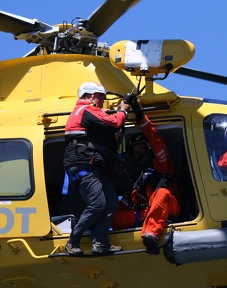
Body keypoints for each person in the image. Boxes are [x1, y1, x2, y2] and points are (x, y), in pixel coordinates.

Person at [63, 81, 131, 256]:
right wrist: (123, 110)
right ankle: (73, 241)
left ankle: (100, 242)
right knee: (98, 203)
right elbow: (114, 122)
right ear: (88, 97)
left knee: (112, 201)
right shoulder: (86, 110)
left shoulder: (91, 113)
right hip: (84, 165)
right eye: (99, 96)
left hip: (94, 166)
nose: (102, 100)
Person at [111, 99, 181, 254]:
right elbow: (125, 204)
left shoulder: (161, 164)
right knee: (114, 216)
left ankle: (152, 235)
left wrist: (141, 116)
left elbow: (155, 139)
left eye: (140, 149)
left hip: (169, 206)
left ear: (148, 149)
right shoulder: (136, 178)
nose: (138, 154)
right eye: (135, 153)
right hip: (146, 213)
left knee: (162, 193)